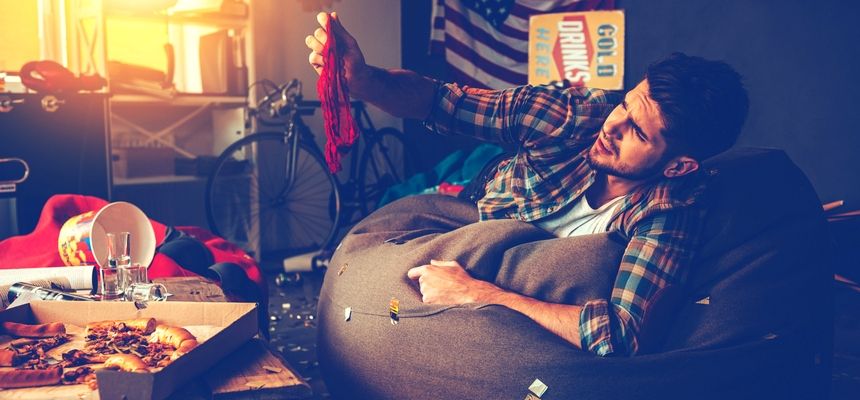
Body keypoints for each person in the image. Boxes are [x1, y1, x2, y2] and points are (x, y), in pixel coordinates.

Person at [306, 12, 749, 356]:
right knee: (404, 209)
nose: (614, 127)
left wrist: (483, 294)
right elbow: (441, 102)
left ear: (678, 167)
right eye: (625, 106)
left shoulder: (670, 208)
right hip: (488, 194)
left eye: (638, 132)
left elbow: (624, 335)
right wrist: (362, 81)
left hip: (510, 280)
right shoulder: (573, 116)